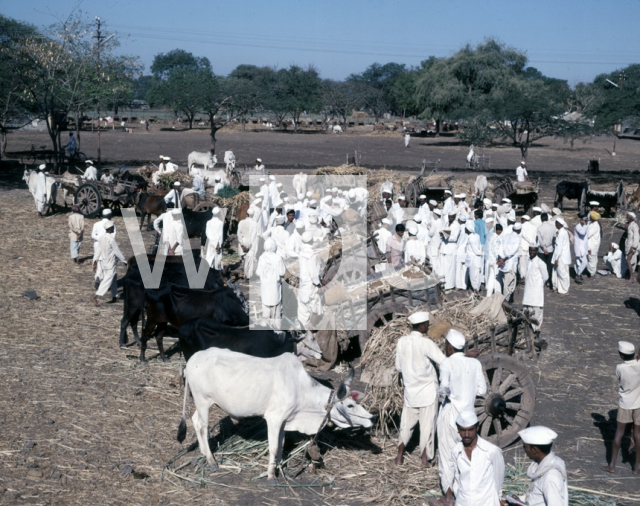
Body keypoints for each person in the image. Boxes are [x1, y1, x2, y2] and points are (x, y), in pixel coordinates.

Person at [437, 330, 486, 493]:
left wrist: (446, 394)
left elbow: (443, 390)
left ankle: (449, 494)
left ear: (450, 347)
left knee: (446, 456)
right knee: (463, 456)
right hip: (468, 418)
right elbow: (482, 390)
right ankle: (463, 493)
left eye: (446, 345)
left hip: (450, 415)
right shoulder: (475, 363)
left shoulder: (447, 363)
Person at [395, 312, 445, 467]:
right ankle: (425, 459)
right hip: (427, 391)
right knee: (427, 427)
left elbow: (398, 366)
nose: (428, 327)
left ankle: (399, 457)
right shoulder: (427, 343)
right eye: (427, 325)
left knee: (406, 425)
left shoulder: (402, 341)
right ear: (422, 326)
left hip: (411, 392)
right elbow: (443, 361)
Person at [443, 411, 504, 505]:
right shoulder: (456, 451)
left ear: (477, 428)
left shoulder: (491, 451)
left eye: (470, 430)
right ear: (458, 429)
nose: (466, 434)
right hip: (463, 502)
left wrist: (499, 499)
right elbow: (456, 477)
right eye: (463, 430)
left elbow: (498, 478)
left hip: (486, 502)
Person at [602, 341, 640, 475]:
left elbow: (620, 379)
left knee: (619, 433)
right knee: (637, 434)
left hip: (625, 403)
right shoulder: (639, 364)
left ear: (622, 356)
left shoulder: (619, 368)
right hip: (638, 404)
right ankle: (635, 467)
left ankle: (612, 465)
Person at [518, 426, 568, 506]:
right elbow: (537, 497)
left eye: (525, 447)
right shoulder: (555, 461)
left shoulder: (550, 477)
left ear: (534, 450)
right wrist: (519, 500)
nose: (524, 450)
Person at [91, 220, 126, 306]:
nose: (114, 228)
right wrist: (125, 261)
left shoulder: (101, 238)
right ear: (110, 229)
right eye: (113, 227)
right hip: (111, 263)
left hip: (104, 262)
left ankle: (114, 297)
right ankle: (95, 296)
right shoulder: (111, 239)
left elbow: (97, 252)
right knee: (107, 280)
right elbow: (117, 252)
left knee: (113, 279)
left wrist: (94, 262)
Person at [256, 238, 285, 329]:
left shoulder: (261, 257)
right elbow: (282, 272)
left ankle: (267, 330)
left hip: (265, 288)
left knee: (266, 312)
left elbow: (257, 272)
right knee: (276, 313)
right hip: (275, 288)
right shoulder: (278, 258)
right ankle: (278, 330)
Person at [297, 232, 324, 329]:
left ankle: (303, 326)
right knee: (316, 305)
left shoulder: (301, 252)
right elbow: (313, 272)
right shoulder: (311, 254)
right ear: (311, 240)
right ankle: (311, 326)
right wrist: (318, 285)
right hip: (310, 283)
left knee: (303, 305)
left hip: (303, 282)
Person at [523, 245, 549, 340]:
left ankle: (537, 330)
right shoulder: (528, 261)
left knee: (537, 312)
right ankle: (528, 330)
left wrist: (538, 284)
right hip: (528, 291)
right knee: (527, 310)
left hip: (537, 291)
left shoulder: (541, 263)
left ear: (537, 251)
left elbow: (545, 277)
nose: (532, 252)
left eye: (534, 251)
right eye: (530, 251)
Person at [498, 224, 521, 303]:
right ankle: (505, 301)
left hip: (504, 264)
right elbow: (513, 251)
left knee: (506, 283)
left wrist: (502, 257)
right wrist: (504, 259)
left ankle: (506, 299)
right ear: (519, 230)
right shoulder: (518, 238)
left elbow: (500, 248)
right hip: (510, 264)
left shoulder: (505, 236)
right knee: (509, 285)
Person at [552, 218, 571, 295]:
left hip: (561, 256)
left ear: (559, 224)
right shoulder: (562, 232)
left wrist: (557, 258)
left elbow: (559, 247)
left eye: (556, 223)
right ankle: (556, 287)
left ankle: (565, 289)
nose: (555, 224)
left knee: (561, 273)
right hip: (561, 255)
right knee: (556, 272)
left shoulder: (562, 233)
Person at [238, 208, 259, 279]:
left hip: (242, 244)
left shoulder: (241, 222)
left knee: (245, 260)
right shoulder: (255, 224)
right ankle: (248, 276)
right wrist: (248, 246)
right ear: (253, 215)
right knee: (250, 262)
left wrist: (242, 245)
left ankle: (245, 275)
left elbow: (239, 234)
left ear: (247, 214)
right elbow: (253, 237)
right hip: (251, 245)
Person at [441, 212, 460, 290]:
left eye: (452, 217)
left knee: (450, 268)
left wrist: (445, 233)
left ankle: (449, 285)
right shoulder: (446, 223)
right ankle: (443, 284)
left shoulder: (457, 225)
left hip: (451, 248)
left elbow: (454, 238)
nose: (450, 218)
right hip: (445, 248)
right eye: (449, 217)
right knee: (444, 267)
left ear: (455, 217)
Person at [537, 213, 555, 287]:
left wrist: (544, 248)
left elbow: (540, 240)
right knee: (549, 265)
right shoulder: (553, 227)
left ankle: (543, 280)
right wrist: (547, 247)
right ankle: (549, 281)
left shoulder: (539, 228)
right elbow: (554, 238)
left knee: (542, 266)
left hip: (542, 250)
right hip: (550, 248)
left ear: (541, 219)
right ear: (547, 219)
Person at [465, 222, 483, 292]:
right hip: (477, 259)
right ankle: (477, 288)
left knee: (473, 276)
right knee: (477, 275)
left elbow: (476, 250)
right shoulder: (476, 236)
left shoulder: (471, 239)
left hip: (473, 259)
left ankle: (476, 289)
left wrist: (481, 253)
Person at [485, 223, 502, 296]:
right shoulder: (496, 238)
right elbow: (496, 250)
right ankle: (497, 294)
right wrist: (499, 259)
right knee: (497, 278)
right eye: (499, 230)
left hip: (491, 260)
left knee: (491, 277)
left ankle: (488, 294)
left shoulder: (492, 237)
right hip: (496, 261)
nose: (500, 232)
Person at [573, 215, 589, 284]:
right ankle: (578, 274)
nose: (586, 222)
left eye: (587, 221)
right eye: (585, 221)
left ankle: (578, 274)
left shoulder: (585, 226)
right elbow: (582, 233)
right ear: (581, 220)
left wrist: (588, 248)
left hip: (583, 247)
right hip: (579, 247)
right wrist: (585, 225)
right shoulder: (578, 227)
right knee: (583, 262)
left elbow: (586, 239)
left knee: (580, 262)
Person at [455, 216, 469, 290]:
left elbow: (457, 239)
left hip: (460, 249)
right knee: (464, 269)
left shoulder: (459, 228)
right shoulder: (468, 228)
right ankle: (464, 285)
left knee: (458, 269)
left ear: (459, 221)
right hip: (466, 250)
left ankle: (458, 285)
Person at [624, 212, 639, 282]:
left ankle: (632, 277)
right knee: (629, 261)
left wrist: (633, 247)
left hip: (632, 246)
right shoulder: (630, 225)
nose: (626, 217)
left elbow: (636, 237)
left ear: (631, 217)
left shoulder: (634, 226)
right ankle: (631, 276)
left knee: (628, 260)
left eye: (628, 216)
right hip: (629, 245)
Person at [586, 211, 602, 278]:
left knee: (591, 258)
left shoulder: (595, 225)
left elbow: (588, 234)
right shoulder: (593, 223)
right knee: (593, 258)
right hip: (593, 244)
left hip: (592, 245)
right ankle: (592, 271)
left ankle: (592, 273)